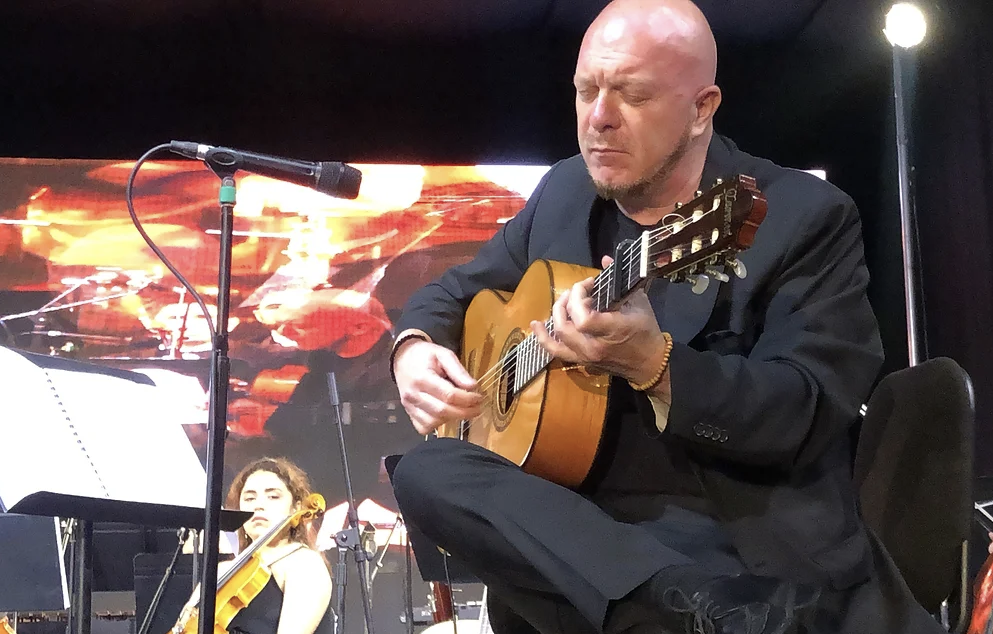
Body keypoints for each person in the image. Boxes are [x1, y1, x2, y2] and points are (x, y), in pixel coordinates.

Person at [388, 0, 945, 632]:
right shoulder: (563, 192)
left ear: (702, 108)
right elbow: (453, 292)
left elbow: (807, 409)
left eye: (632, 95)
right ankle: (681, 606)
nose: (599, 118)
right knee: (426, 471)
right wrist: (413, 347)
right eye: (586, 91)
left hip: (731, 539)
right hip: (582, 543)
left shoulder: (801, 215)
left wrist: (656, 365)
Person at [174, 457, 334, 634]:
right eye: (250, 498)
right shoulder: (223, 570)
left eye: (273, 497)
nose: (259, 505)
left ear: (296, 508)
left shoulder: (304, 563)